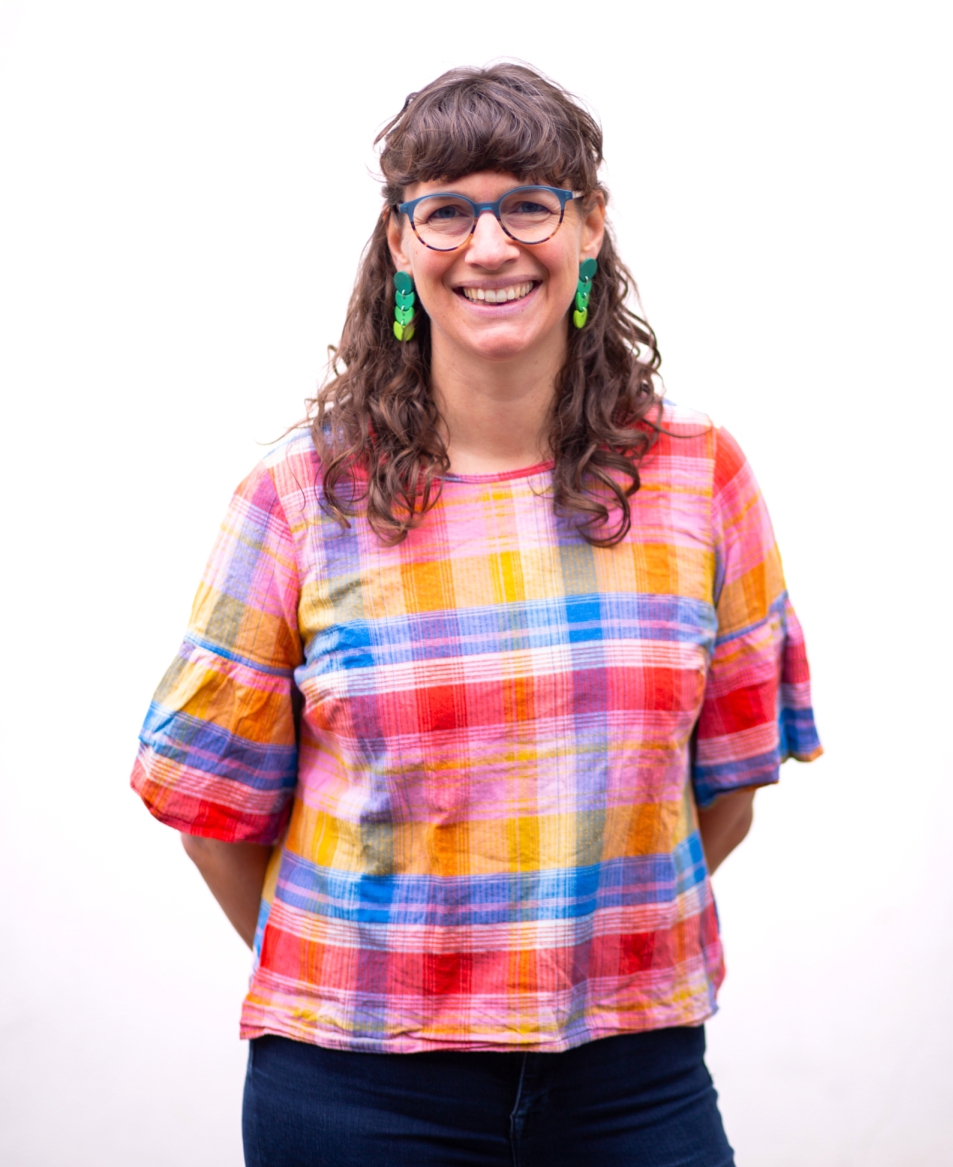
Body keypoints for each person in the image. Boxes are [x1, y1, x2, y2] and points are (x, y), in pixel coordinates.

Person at [131, 62, 822, 1167]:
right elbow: (212, 804)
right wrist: (385, 975)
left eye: (529, 204)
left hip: (632, 1080)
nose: (490, 246)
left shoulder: (697, 474)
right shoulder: (301, 498)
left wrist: (562, 946)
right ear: (399, 243)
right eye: (446, 210)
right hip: (358, 1095)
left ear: (590, 226)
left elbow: (725, 785)